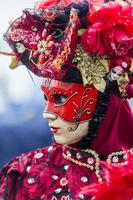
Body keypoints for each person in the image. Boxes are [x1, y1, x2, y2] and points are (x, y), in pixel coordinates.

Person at [0, 0, 133, 199]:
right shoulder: (26, 174)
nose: (47, 113)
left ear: (102, 101)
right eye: (46, 97)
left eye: (61, 97)